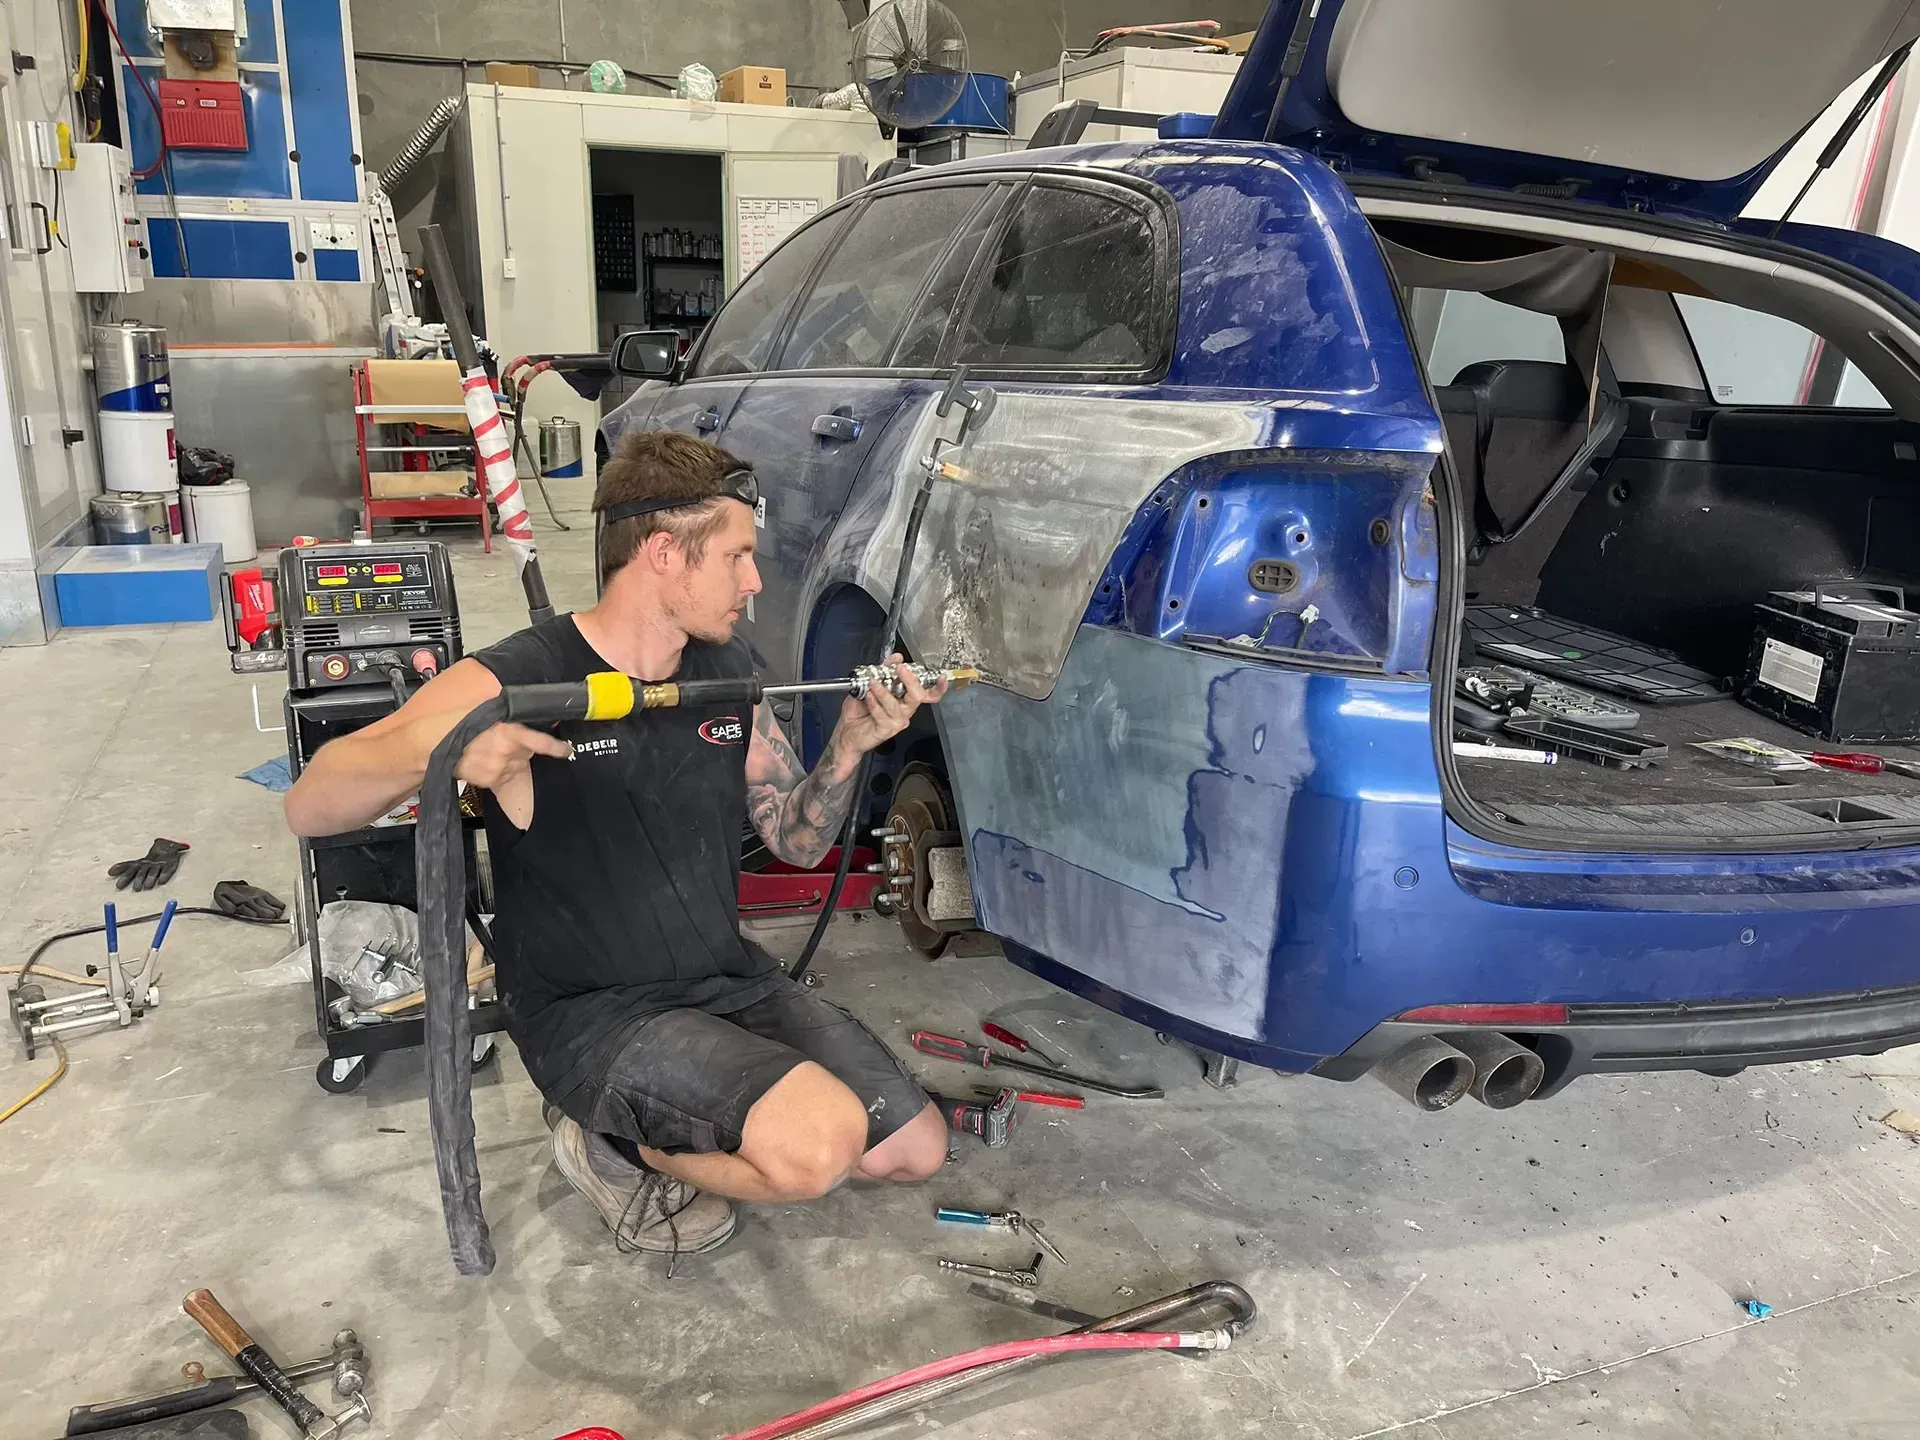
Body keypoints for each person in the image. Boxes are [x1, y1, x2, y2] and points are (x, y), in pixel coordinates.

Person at [284, 429, 951, 1257]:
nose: (753, 582)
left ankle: (680, 1117)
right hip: (593, 1014)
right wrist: (444, 748)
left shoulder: (724, 670)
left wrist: (848, 746)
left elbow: (797, 839)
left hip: (724, 981)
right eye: (737, 557)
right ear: (664, 553)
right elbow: (311, 804)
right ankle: (610, 1141)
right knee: (821, 1144)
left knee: (912, 1151)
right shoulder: (522, 677)